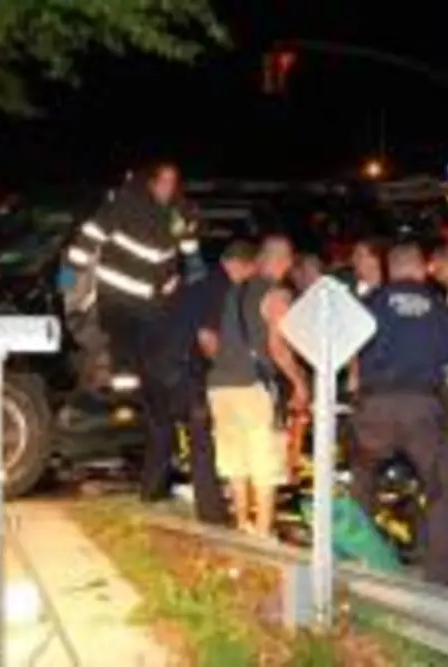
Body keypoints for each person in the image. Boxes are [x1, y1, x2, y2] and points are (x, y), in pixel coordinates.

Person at [350, 243, 448, 585]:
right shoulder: (442, 309)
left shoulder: (370, 304)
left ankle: (361, 563)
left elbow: (351, 355)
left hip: (374, 409)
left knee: (362, 483)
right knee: (444, 488)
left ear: (390, 268)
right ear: (420, 269)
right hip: (422, 410)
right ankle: (440, 577)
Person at [138, 240, 259, 519]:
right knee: (202, 438)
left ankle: (150, 492)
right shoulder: (221, 289)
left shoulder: (197, 283)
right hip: (182, 371)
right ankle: (211, 511)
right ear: (243, 265)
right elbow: (207, 337)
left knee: (161, 432)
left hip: (154, 366)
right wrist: (228, 367)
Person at [63, 162, 202, 396]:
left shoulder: (177, 212)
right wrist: (66, 281)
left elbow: (185, 240)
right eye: (163, 181)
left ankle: (147, 398)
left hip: (155, 300)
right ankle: (122, 400)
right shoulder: (123, 207)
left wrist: (194, 265)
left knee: (157, 358)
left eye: (172, 182)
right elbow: (86, 241)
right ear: (151, 182)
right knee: (124, 353)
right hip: (119, 296)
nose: (168, 188)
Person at [204, 236, 308, 537]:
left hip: (220, 386)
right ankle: (262, 533)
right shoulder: (277, 295)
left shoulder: (233, 292)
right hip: (253, 385)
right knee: (265, 462)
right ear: (284, 260)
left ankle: (241, 524)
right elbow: (278, 347)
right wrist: (299, 382)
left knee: (235, 461)